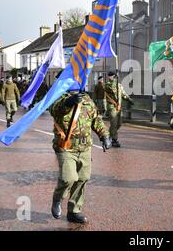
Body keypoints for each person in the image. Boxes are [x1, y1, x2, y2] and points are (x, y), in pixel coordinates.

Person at [49, 90, 111, 224]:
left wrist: (104, 135)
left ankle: (74, 211)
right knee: (68, 178)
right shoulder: (59, 96)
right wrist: (69, 102)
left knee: (83, 178)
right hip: (66, 147)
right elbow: (54, 110)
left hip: (85, 147)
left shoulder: (87, 99)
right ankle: (57, 198)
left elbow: (96, 119)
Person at [104, 71, 133, 148]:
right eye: (111, 76)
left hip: (119, 107)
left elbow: (123, 94)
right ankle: (114, 140)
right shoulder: (108, 84)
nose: (112, 77)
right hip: (112, 106)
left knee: (119, 123)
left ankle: (109, 135)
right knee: (114, 123)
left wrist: (129, 99)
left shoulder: (119, 85)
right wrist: (114, 80)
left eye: (113, 76)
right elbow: (112, 89)